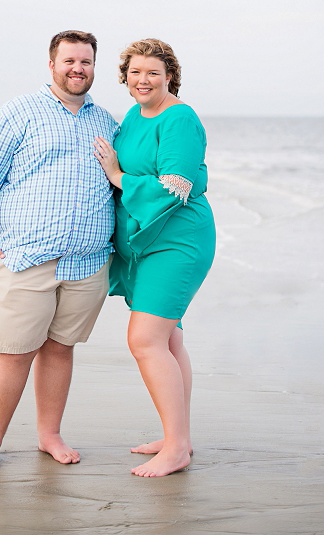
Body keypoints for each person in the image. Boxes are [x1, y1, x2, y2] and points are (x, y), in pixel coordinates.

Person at [0, 30, 117, 470]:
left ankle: (49, 435)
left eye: (85, 62)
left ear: (93, 67)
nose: (77, 69)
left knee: (59, 349)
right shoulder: (18, 112)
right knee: (14, 351)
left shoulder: (106, 122)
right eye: (69, 61)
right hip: (24, 256)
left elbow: (117, 184)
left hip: (86, 262)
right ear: (51, 65)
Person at [93, 38, 215, 478]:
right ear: (124, 76)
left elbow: (177, 187)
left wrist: (116, 175)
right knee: (168, 341)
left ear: (170, 77)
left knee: (145, 340)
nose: (143, 80)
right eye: (135, 72)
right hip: (146, 241)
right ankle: (174, 434)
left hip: (177, 240)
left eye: (153, 73)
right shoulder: (132, 115)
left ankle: (178, 448)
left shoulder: (179, 117)